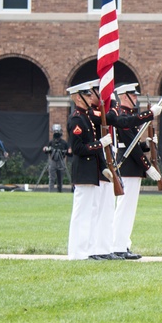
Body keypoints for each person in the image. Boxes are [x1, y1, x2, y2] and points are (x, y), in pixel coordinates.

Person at [108, 83, 162, 260]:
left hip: (132, 166)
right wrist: (148, 166)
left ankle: (123, 244)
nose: (136, 98)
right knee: (124, 208)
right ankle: (117, 246)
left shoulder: (129, 115)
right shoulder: (122, 116)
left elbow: (137, 144)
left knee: (128, 209)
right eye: (133, 95)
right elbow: (131, 148)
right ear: (124, 96)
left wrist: (148, 143)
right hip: (128, 166)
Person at [66, 79, 116, 260]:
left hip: (92, 171)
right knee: (82, 213)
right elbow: (78, 149)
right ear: (77, 98)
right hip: (83, 172)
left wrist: (103, 168)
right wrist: (99, 144)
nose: (90, 96)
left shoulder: (86, 117)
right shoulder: (77, 119)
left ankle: (89, 250)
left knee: (92, 212)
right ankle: (77, 252)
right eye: (87, 94)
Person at [43, 124, 69, 193]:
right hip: (53, 160)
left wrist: (66, 151)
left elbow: (69, 153)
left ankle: (59, 191)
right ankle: (50, 191)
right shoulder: (51, 142)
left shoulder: (64, 143)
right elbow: (47, 151)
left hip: (61, 161)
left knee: (60, 178)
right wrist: (46, 149)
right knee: (51, 178)